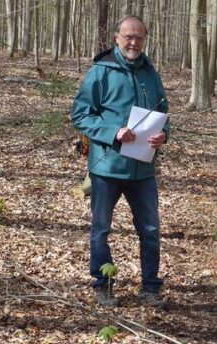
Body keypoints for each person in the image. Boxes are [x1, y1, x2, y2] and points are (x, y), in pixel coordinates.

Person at [72, 16, 169, 309]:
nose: (133, 43)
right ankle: (103, 285)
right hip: (107, 167)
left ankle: (150, 288)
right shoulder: (100, 72)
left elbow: (164, 113)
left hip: (143, 168)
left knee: (150, 230)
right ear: (117, 38)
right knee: (101, 230)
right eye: (128, 36)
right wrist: (113, 132)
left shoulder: (151, 73)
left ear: (145, 40)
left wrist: (164, 135)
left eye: (139, 37)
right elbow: (80, 115)